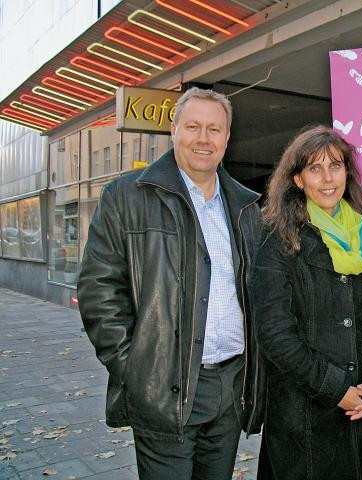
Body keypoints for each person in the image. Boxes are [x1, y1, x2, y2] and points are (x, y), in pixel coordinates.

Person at [77, 87, 263, 479]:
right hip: (164, 386)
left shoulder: (246, 206)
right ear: (173, 130)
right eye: (193, 126)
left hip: (230, 387)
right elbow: (99, 290)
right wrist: (136, 368)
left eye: (214, 129)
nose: (203, 138)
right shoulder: (126, 196)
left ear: (228, 138)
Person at [250, 125, 362, 480]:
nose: (327, 178)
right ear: (298, 179)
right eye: (315, 169)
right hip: (304, 417)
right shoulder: (277, 237)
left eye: (335, 166)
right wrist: (336, 389)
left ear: (347, 172)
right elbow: (275, 334)